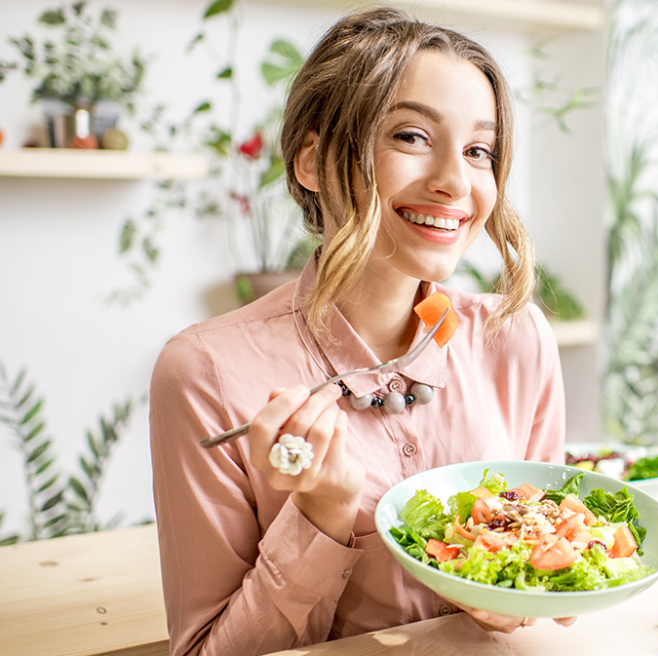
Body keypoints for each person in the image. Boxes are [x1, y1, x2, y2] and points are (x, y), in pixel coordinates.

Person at [149, 7, 569, 655]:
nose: (455, 181)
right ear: (313, 162)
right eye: (410, 136)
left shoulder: (514, 338)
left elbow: (550, 580)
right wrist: (321, 512)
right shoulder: (205, 372)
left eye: (479, 150)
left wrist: (514, 592)